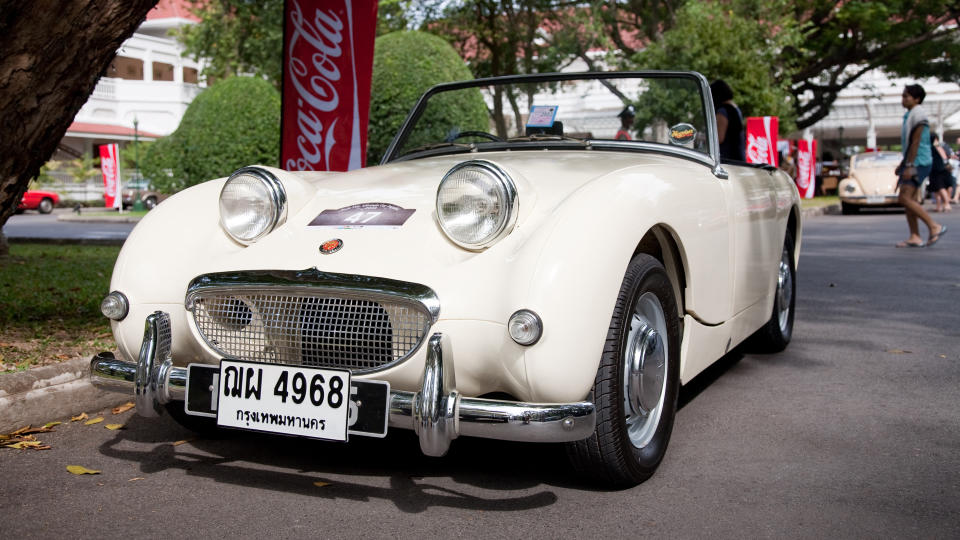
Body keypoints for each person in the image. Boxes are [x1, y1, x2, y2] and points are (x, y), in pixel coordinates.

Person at [895, 84, 947, 248]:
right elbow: (909, 143)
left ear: (916, 99)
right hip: (913, 161)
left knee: (904, 197)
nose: (903, 99)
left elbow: (916, 141)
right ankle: (915, 236)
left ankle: (934, 226)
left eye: (906, 96)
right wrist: (903, 164)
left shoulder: (918, 113)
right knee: (908, 198)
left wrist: (909, 165)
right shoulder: (910, 114)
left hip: (919, 161)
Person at [710, 79, 745, 161]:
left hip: (727, 157)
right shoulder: (735, 108)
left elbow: (719, 138)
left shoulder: (722, 111)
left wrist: (703, 138)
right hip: (737, 155)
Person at [930, 133, 952, 212]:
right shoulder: (936, 146)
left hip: (937, 169)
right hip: (938, 169)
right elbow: (944, 157)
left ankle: (946, 204)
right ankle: (939, 206)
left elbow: (943, 156)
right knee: (937, 188)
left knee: (940, 188)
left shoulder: (935, 146)